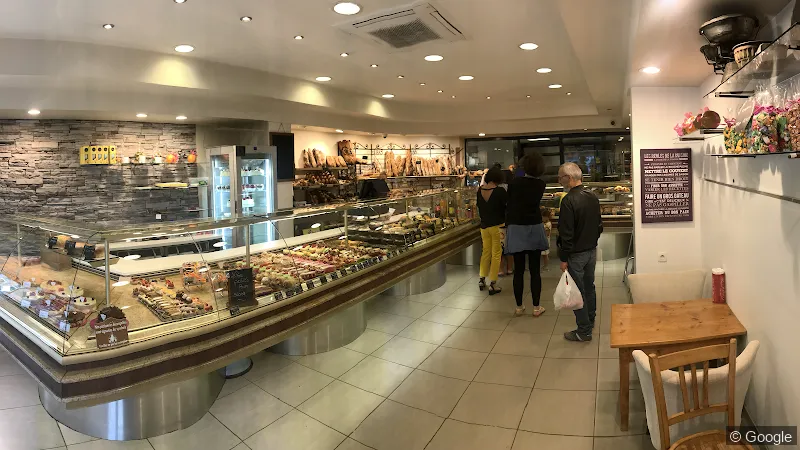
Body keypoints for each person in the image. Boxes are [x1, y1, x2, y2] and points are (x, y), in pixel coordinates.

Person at [556, 162, 603, 342]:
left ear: (568, 178)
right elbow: (599, 225)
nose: (559, 181)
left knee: (577, 291)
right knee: (589, 287)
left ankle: (584, 331)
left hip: (576, 254)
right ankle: (590, 320)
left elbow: (566, 233)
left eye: (560, 178)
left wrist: (563, 257)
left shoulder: (568, 200)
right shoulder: (592, 196)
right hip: (591, 251)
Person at [505, 153, 548, 316]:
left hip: (516, 227)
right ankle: (536, 307)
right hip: (534, 226)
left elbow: (510, 201)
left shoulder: (514, 183)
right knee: (535, 270)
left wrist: (517, 170)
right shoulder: (540, 184)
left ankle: (519, 306)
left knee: (519, 270)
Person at [476, 166, 507, 295]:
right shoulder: (500, 191)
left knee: (485, 252)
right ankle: (493, 283)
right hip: (497, 226)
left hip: (484, 227)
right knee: (496, 254)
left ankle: (482, 279)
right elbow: (506, 207)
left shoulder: (480, 190)